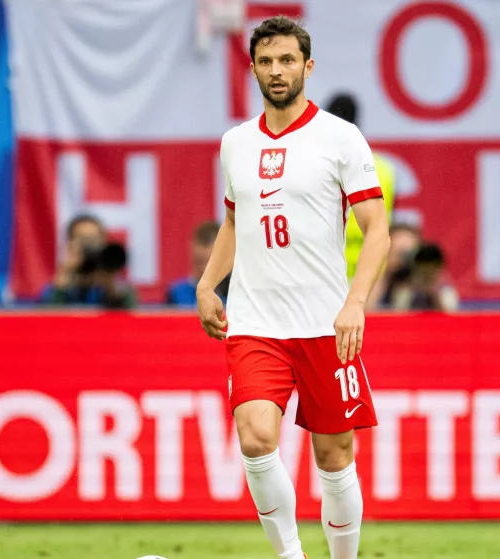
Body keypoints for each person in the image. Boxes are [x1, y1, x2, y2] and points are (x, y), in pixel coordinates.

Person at [196, 16, 390, 559]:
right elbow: (235, 223)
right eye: (266, 61)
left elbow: (378, 232)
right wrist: (209, 283)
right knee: (256, 437)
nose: (276, 71)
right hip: (256, 320)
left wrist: (355, 303)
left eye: (287, 60)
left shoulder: (340, 138)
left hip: (328, 323)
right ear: (253, 68)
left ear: (307, 66)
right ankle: (290, 557)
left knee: (335, 456)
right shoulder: (235, 143)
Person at [326, 93, 396, 282]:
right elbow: (388, 227)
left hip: (325, 273)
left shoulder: (315, 165)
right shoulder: (383, 168)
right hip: (368, 274)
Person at [39, 214, 136, 308]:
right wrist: (63, 278)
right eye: (82, 239)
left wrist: (110, 285)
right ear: (70, 243)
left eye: (94, 239)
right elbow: (46, 317)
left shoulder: (118, 289)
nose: (89, 245)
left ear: (103, 242)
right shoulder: (61, 288)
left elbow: (129, 316)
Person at [167, 220, 229, 306]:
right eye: (200, 262)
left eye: (207, 262)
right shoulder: (176, 293)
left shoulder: (230, 293)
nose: (203, 251)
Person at [389, 242, 459, 312]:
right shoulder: (405, 291)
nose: (427, 277)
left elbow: (450, 316)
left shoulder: (446, 292)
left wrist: (434, 295)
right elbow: (398, 314)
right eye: (424, 272)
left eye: (431, 271)